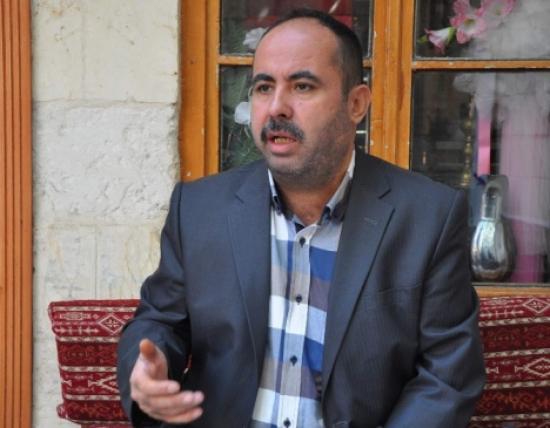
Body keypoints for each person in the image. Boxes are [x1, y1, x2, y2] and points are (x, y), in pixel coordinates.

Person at [117, 8, 485, 428]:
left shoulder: (427, 217)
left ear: (356, 104)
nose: (277, 107)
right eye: (263, 87)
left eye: (302, 86)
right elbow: (160, 321)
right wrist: (149, 369)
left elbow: (447, 375)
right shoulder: (200, 209)